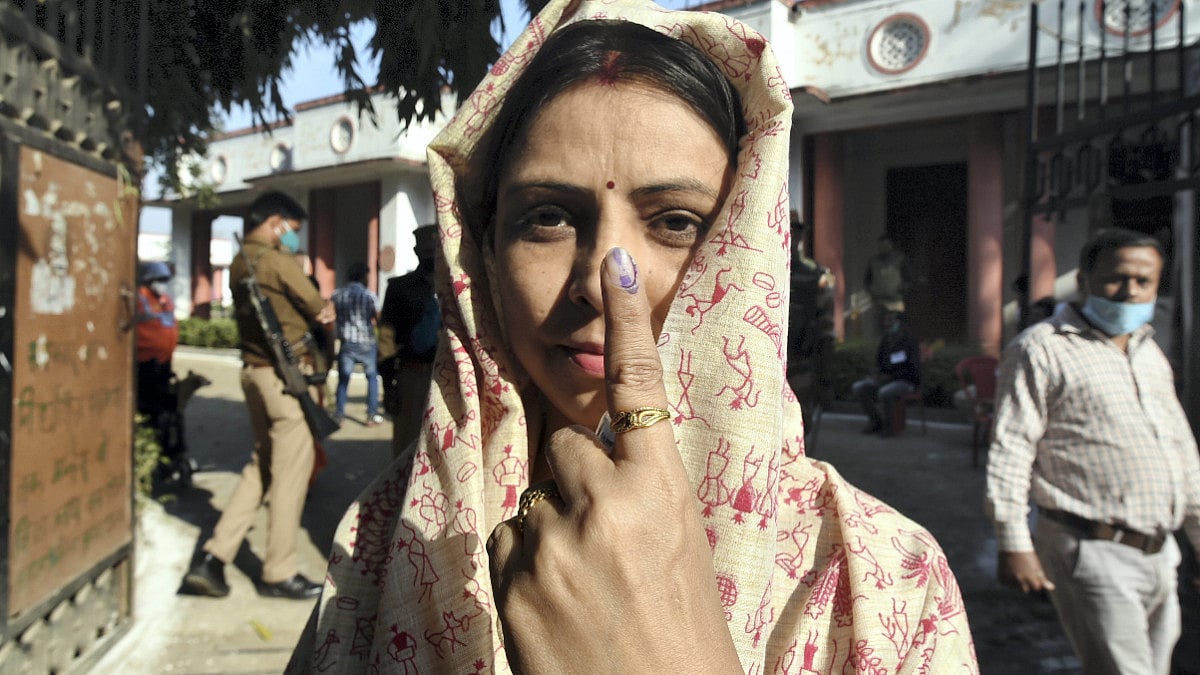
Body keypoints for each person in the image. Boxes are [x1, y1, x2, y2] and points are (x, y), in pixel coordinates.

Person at [289, 3, 976, 673]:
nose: (601, 279)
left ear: (743, 254)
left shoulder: (887, 581)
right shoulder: (388, 537)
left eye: (676, 221)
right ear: (485, 254)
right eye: (549, 217)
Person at [985, 228, 1200, 675]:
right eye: (1116, 278)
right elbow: (1011, 446)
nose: (1130, 291)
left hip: (1161, 551)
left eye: (1145, 282)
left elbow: (1180, 451)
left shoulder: (1148, 351)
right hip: (1091, 546)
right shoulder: (1040, 348)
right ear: (1083, 281)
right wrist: (1013, 541)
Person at [180, 191, 335, 600]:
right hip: (286, 379)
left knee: (261, 468)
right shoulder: (278, 261)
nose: (293, 239)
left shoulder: (238, 262)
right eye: (292, 231)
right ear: (276, 222)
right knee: (291, 475)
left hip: (253, 374)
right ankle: (278, 572)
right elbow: (319, 307)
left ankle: (213, 559)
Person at [377, 224, 439, 456]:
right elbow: (386, 337)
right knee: (407, 451)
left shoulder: (459, 286)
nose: (430, 254)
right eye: (425, 249)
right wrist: (389, 383)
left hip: (453, 378)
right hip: (414, 376)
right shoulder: (400, 288)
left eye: (435, 248)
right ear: (416, 251)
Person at [785, 214, 835, 431]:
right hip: (762, 366)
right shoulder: (757, 268)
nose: (791, 235)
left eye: (795, 230)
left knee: (798, 427)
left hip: (800, 364)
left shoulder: (817, 276)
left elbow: (826, 331)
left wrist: (825, 379)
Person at [135, 261, 182, 477]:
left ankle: (168, 453)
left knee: (168, 412)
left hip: (164, 364)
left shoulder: (164, 300)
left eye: (165, 280)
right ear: (148, 280)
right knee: (151, 412)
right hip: (146, 365)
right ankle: (152, 455)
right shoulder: (140, 298)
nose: (163, 284)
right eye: (159, 280)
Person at [851, 310, 921, 437]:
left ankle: (890, 427)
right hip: (885, 379)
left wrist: (892, 377)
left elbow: (913, 369)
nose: (888, 324)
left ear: (900, 323)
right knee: (859, 388)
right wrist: (876, 374)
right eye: (887, 321)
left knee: (885, 392)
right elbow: (880, 362)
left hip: (904, 381)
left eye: (892, 321)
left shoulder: (910, 341)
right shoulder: (886, 340)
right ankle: (875, 422)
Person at [331, 262, 383, 426]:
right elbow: (379, 319)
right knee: (372, 378)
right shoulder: (369, 296)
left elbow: (330, 318)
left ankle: (339, 414)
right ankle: (371, 415)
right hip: (367, 342)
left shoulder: (338, 295)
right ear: (364, 277)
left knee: (343, 379)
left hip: (347, 343)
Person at [863, 233, 911, 334]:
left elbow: (907, 278)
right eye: (881, 246)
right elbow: (867, 280)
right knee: (879, 327)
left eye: (886, 245)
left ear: (891, 245)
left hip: (895, 300)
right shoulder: (873, 262)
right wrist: (871, 292)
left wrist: (902, 290)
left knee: (896, 327)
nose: (883, 248)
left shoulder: (900, 260)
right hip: (879, 300)